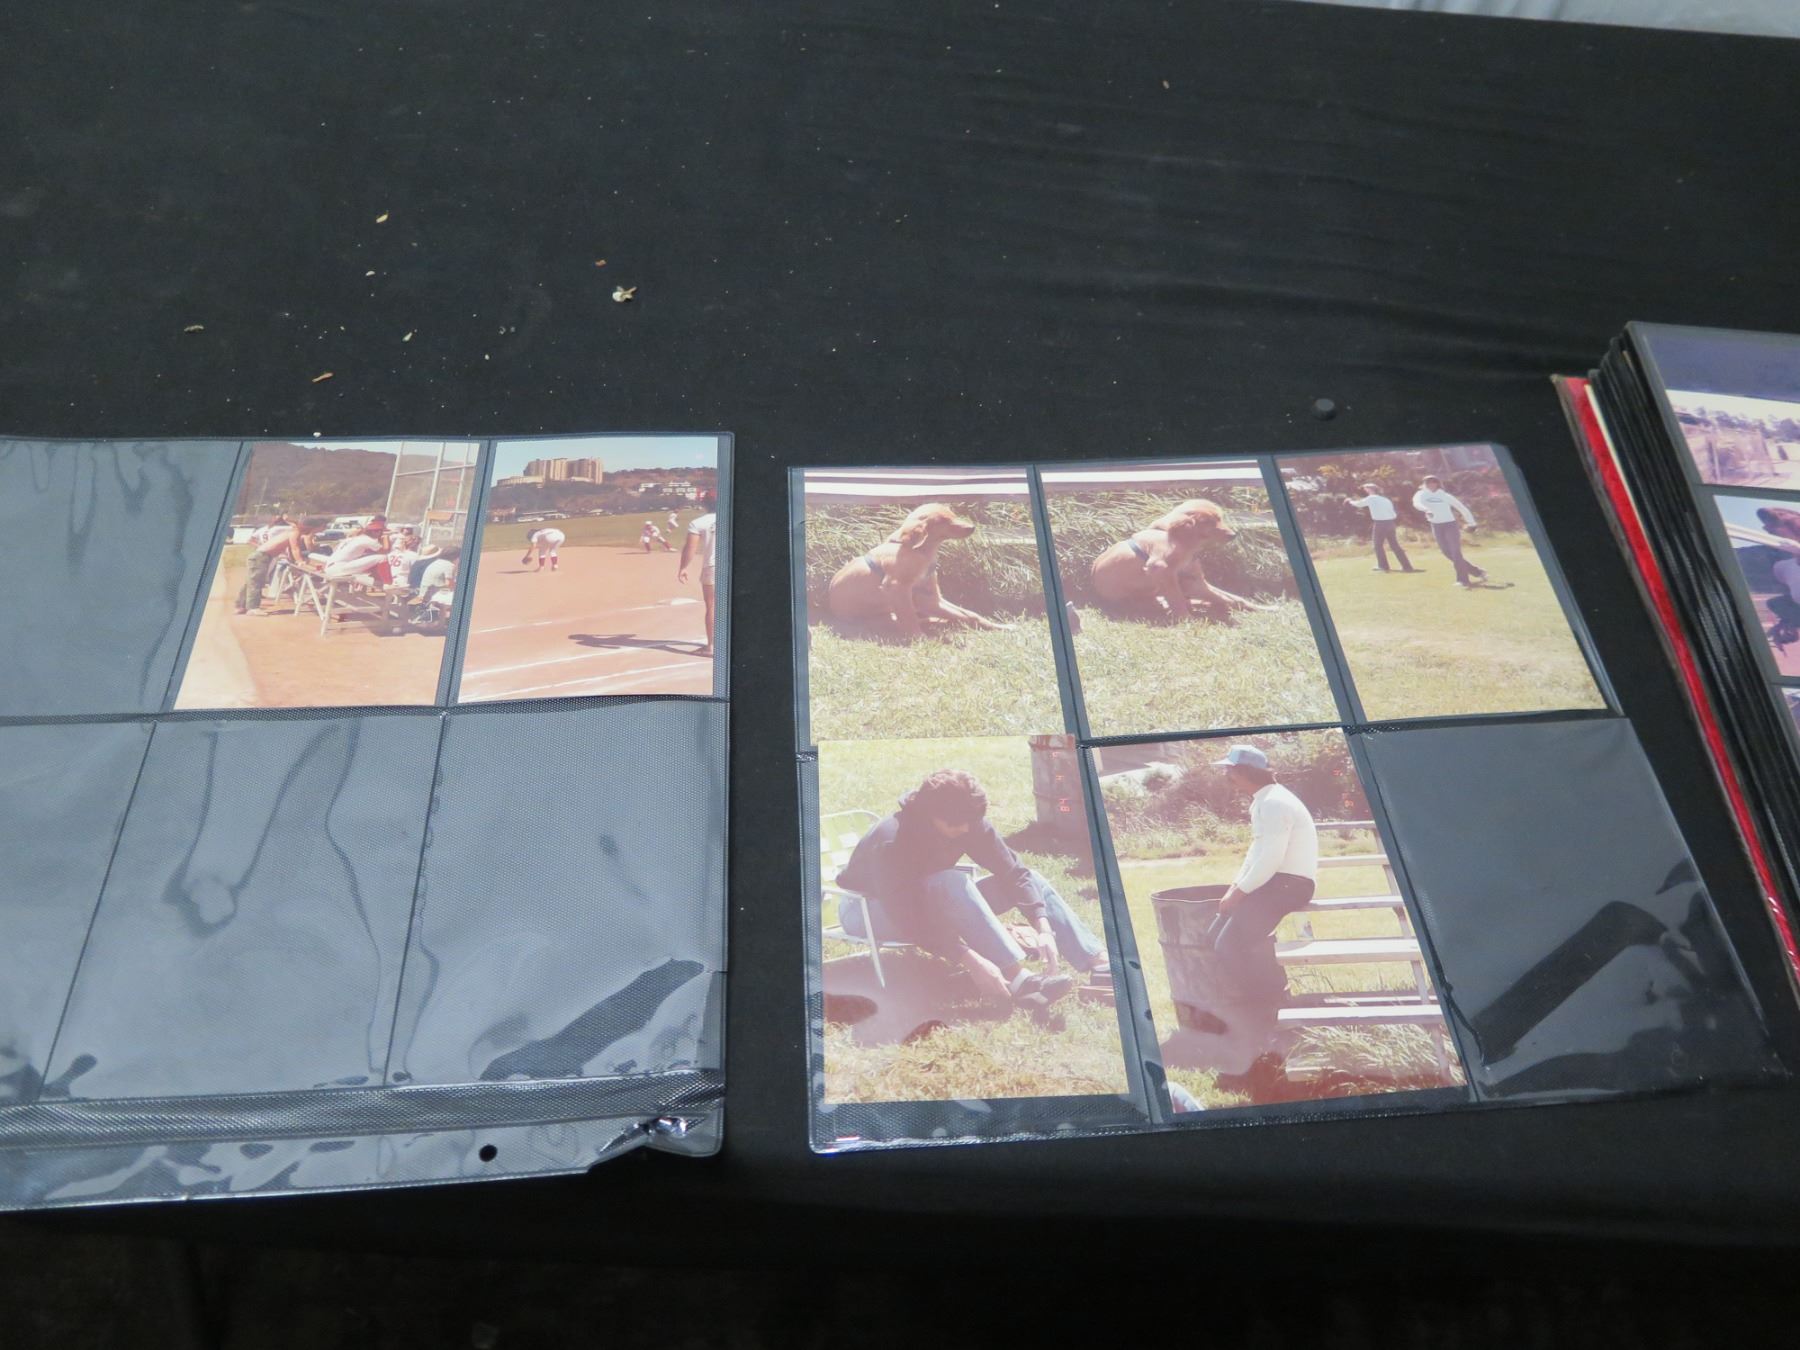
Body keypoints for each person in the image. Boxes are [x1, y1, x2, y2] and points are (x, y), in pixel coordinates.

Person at [834, 769, 1110, 1011]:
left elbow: (1014, 873)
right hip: (867, 910)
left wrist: (1043, 926)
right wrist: (970, 960)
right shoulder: (892, 839)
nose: (965, 829)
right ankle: (1020, 981)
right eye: (956, 824)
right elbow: (907, 915)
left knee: (1032, 881)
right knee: (951, 881)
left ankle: (1099, 964)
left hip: (927, 903)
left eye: (970, 821)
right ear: (930, 815)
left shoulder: (966, 821)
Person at [1200, 745, 1319, 1025]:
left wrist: (1240, 893)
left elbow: (1271, 858)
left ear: (1244, 772)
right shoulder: (1263, 801)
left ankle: (1267, 1011)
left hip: (1290, 884)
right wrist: (1235, 888)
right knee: (1216, 936)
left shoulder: (1275, 803)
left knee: (1230, 945)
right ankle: (1266, 1002)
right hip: (1276, 882)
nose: (1227, 776)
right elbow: (1256, 853)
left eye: (1229, 770)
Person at [1411, 474, 1487, 588]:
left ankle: (1463, 580)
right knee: (1446, 552)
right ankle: (1477, 572)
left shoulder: (1445, 495)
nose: (1431, 484)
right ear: (1424, 484)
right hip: (1436, 526)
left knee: (1456, 552)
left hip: (1450, 525)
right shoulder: (1420, 494)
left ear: (1438, 483)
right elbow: (1416, 503)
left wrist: (1472, 523)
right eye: (1428, 483)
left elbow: (1461, 508)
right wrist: (1426, 509)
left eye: (1434, 482)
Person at [1344, 481, 1417, 574]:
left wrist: (1349, 501)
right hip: (1390, 523)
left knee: (1377, 545)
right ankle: (1407, 566)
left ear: (1370, 490)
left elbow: (1359, 504)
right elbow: (1393, 514)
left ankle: (1383, 566)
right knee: (1394, 545)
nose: (1366, 491)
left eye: (1366, 489)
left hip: (1380, 523)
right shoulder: (1385, 499)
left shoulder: (1371, 498)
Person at [678, 494, 718, 658]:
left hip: (713, 566)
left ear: (705, 504)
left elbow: (690, 548)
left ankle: (712, 647)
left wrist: (683, 567)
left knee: (712, 606)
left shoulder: (699, 522)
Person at [235, 514, 297, 615]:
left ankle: (241, 605)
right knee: (256, 581)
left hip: (263, 553)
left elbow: (250, 540)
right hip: (265, 555)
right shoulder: (283, 529)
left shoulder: (265, 529)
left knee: (252, 581)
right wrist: (289, 520)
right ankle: (252, 607)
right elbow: (296, 527)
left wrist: (262, 546)